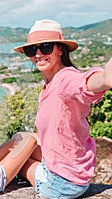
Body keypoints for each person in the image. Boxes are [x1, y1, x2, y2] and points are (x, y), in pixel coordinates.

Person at [14, 19, 112, 199]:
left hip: (62, 183)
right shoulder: (50, 84)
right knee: (17, 143)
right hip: (75, 172)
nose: (37, 54)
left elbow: (91, 82)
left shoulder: (65, 79)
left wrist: (106, 78)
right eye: (31, 50)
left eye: (45, 47)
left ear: (60, 49)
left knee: (17, 162)